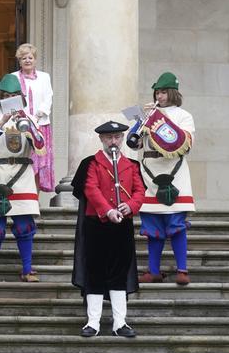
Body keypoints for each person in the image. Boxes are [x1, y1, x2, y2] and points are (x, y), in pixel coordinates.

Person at [71, 121, 145, 338]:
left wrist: (130, 206)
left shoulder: (132, 165)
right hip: (97, 223)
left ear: (122, 139)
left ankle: (119, 322)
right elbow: (90, 189)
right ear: (102, 139)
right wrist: (107, 210)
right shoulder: (91, 163)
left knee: (119, 273)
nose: (114, 141)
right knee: (95, 272)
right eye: (109, 138)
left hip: (122, 224)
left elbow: (140, 191)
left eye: (117, 137)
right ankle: (92, 322)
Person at [0, 74, 46, 283]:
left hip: (22, 174)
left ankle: (27, 269)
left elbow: (41, 148)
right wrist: (1, 122)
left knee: (25, 225)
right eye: (7, 95)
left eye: (15, 95)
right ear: (1, 97)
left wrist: (29, 124)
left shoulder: (29, 117)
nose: (11, 98)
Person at [131, 72, 196, 286]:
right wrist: (141, 120)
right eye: (157, 92)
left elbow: (185, 143)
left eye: (163, 92)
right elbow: (134, 143)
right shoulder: (149, 115)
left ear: (172, 93)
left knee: (176, 223)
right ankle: (153, 270)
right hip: (150, 171)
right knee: (152, 226)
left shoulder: (184, 115)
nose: (160, 96)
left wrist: (158, 119)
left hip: (175, 171)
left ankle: (182, 269)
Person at [12, 43, 55, 192]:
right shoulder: (13, 77)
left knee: (38, 163)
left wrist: (37, 116)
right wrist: (25, 117)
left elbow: (48, 97)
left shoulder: (44, 77)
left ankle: (34, 201)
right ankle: (20, 197)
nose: (27, 60)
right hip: (19, 126)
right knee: (22, 162)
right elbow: (11, 98)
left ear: (35, 59)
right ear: (19, 61)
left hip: (40, 125)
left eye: (30, 57)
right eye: (24, 58)